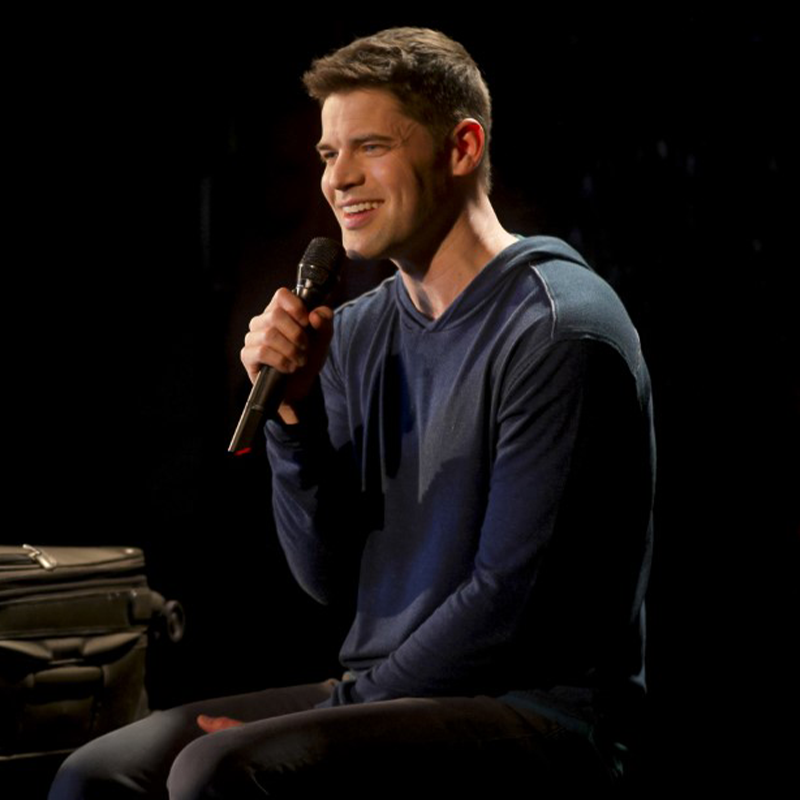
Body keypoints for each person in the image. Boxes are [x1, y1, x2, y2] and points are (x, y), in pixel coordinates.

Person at [50, 27, 654, 798]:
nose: (338, 180)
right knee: (97, 773)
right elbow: (328, 577)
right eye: (329, 155)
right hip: (387, 692)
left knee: (215, 773)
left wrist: (341, 708)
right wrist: (293, 422)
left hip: (539, 712)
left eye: (368, 147)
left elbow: (510, 606)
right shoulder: (358, 330)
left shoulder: (559, 328)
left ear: (462, 148)